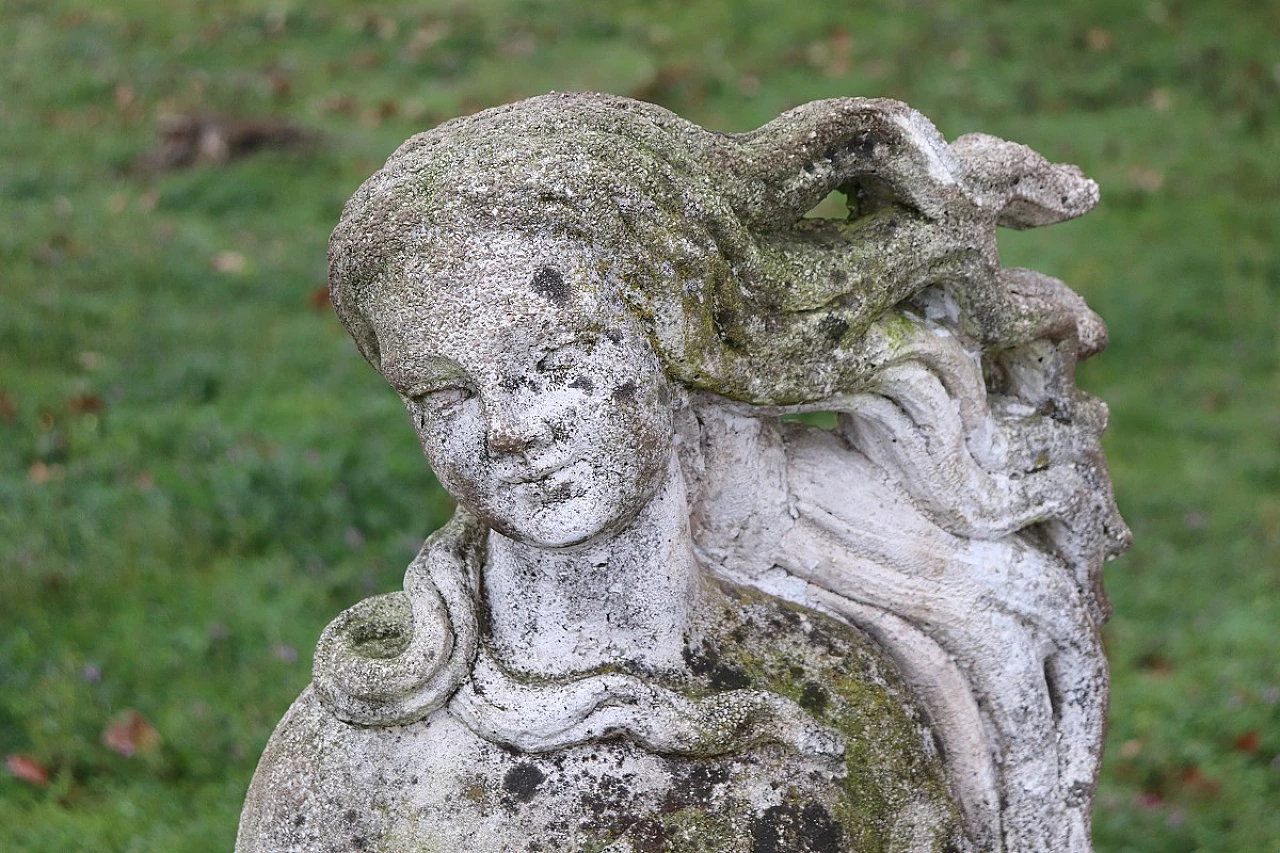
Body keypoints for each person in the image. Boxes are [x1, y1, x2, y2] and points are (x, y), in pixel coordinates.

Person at [239, 93, 1129, 853]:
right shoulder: (355, 756)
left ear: (672, 341)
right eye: (444, 395)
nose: (506, 430)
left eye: (557, 361)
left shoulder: (837, 701)